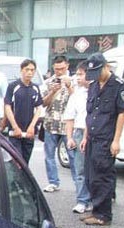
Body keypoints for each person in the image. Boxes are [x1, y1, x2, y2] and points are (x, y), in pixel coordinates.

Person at [80, 52, 124, 226]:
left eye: (98, 71)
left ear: (106, 67)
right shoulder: (94, 85)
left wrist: (116, 140)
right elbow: (90, 113)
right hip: (92, 138)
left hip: (106, 139)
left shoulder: (119, 85)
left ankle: (103, 215)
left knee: (102, 176)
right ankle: (96, 209)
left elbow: (122, 114)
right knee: (90, 176)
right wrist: (85, 136)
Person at [41, 55, 75, 193]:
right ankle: (53, 182)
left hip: (68, 125)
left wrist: (69, 86)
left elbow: (78, 101)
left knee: (73, 156)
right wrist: (52, 91)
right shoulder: (48, 82)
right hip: (51, 123)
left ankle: (78, 182)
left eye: (62, 68)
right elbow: (43, 103)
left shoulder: (74, 80)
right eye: (56, 69)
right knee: (49, 155)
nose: (59, 72)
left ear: (67, 66)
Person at [63, 61, 92, 214]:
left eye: (81, 74)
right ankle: (82, 200)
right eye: (77, 74)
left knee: (95, 169)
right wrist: (70, 137)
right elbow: (69, 117)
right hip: (79, 132)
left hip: (96, 133)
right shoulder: (76, 95)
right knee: (79, 169)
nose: (78, 77)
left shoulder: (97, 91)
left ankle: (94, 199)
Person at [3, 59, 43, 164]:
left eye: (32, 70)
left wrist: (32, 126)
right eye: (27, 69)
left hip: (29, 133)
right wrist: (15, 127)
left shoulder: (35, 88)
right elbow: (7, 107)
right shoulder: (13, 86)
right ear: (21, 70)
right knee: (17, 162)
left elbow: (39, 108)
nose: (30, 72)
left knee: (25, 163)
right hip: (15, 133)